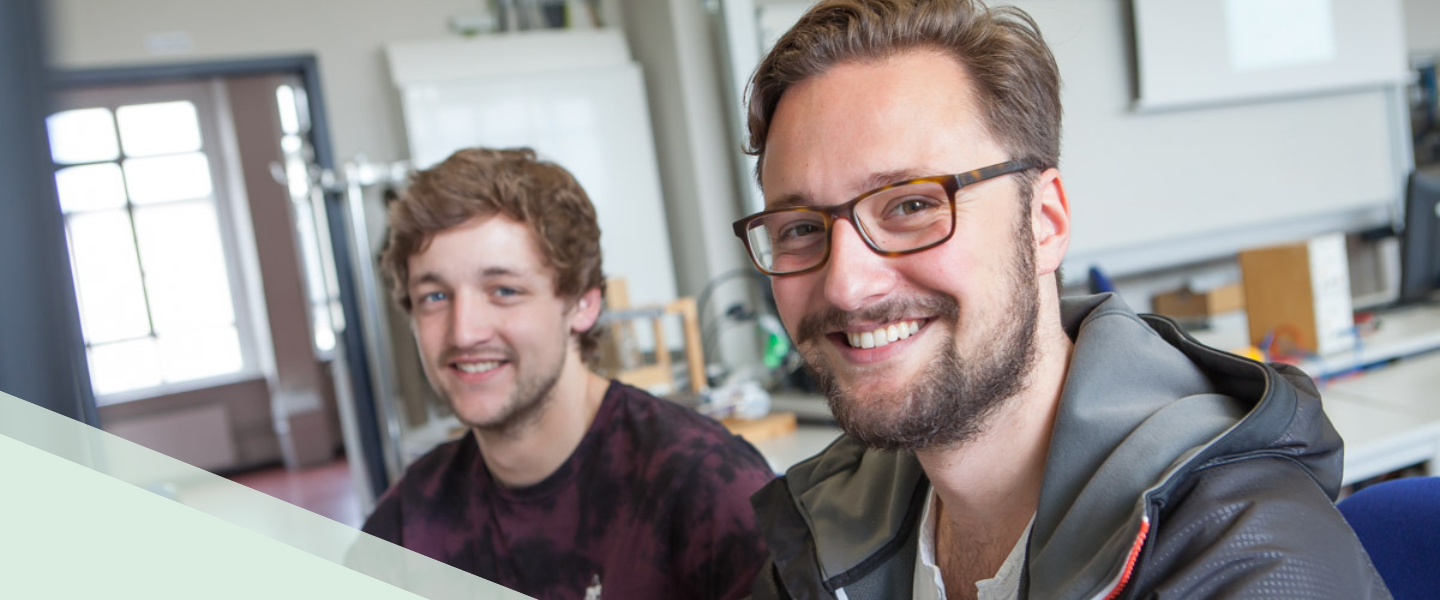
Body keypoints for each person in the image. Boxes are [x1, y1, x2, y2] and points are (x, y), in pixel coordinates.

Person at [731, 1, 1389, 598]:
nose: (847, 284)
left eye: (911, 205)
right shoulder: (823, 529)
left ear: (1044, 221)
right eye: (799, 228)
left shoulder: (1243, 551)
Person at [364, 147, 774, 600]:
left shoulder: (705, 489)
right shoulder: (408, 525)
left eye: (503, 290)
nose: (464, 332)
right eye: (435, 297)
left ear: (583, 302)